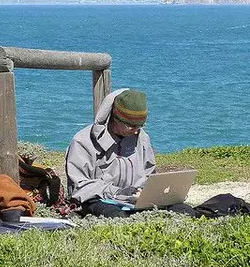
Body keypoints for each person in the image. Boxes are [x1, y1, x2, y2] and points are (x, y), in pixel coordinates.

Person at [65, 88, 195, 218]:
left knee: (185, 211)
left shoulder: (142, 138)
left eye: (140, 126)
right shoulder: (82, 141)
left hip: (134, 200)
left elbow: (150, 174)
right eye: (132, 126)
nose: (136, 131)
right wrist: (120, 193)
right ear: (116, 118)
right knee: (118, 216)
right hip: (99, 200)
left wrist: (146, 194)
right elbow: (79, 186)